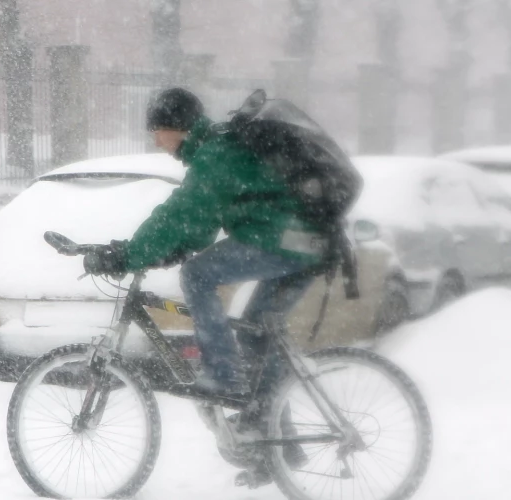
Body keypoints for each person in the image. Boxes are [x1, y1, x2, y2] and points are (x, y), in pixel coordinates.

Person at [83, 87, 330, 401]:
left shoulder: (215, 153)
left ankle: (222, 375)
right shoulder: (219, 148)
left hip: (285, 242)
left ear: (177, 127)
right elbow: (199, 227)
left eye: (157, 131)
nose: (156, 141)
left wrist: (130, 255)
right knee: (259, 334)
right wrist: (171, 250)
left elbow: (180, 214)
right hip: (306, 244)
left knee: (196, 275)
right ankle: (267, 427)